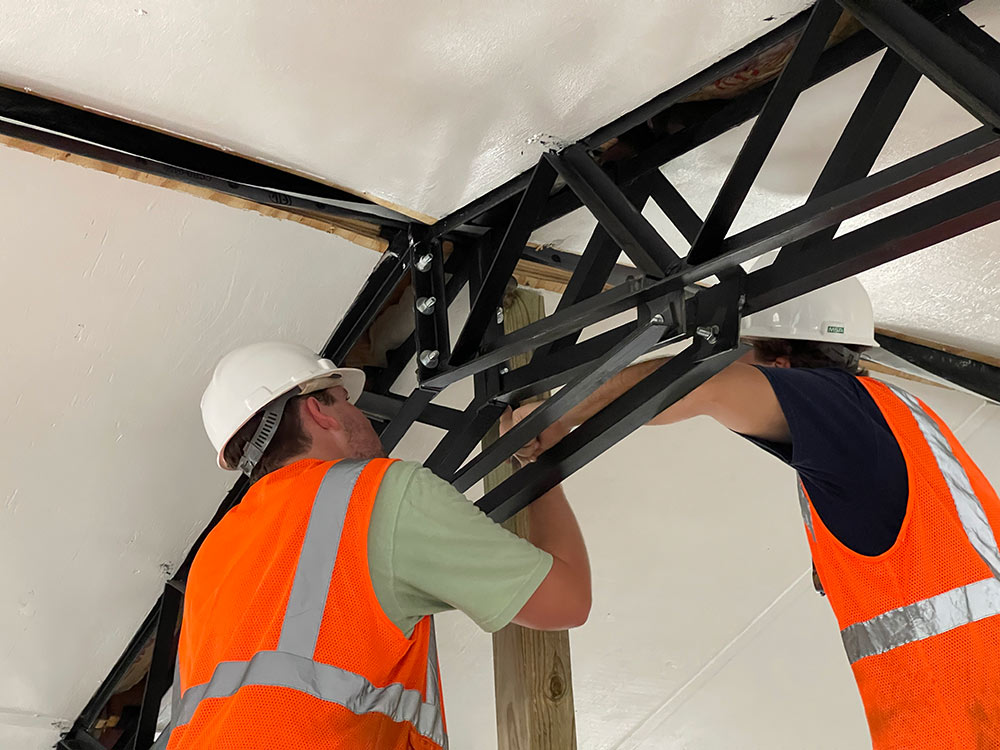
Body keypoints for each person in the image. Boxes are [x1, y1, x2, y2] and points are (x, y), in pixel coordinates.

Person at [512, 275, 1000, 749]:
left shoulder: (848, 413)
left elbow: (705, 385)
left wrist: (558, 418)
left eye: (749, 360)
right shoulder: (892, 424)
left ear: (779, 366)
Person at [158, 341, 591, 750]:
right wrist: (543, 465)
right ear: (319, 411)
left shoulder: (212, 557)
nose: (360, 414)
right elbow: (565, 600)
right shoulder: (375, 494)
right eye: (347, 400)